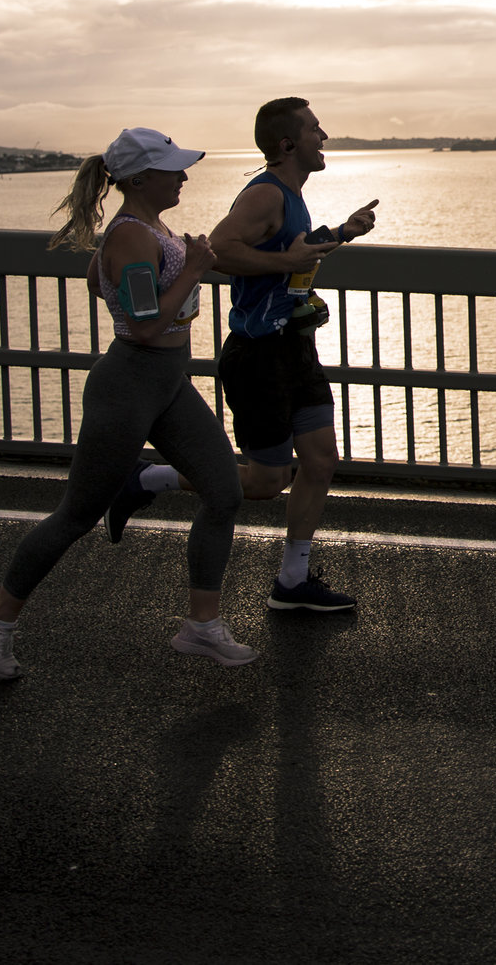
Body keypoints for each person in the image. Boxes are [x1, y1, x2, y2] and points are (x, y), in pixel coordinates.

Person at [0, 128, 253, 680]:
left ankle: (201, 625)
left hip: (168, 384)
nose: (185, 175)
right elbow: (143, 328)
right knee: (77, 515)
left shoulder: (145, 229)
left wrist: (173, 268)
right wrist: (193, 268)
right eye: (174, 168)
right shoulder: (131, 236)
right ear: (141, 178)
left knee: (224, 491)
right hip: (129, 383)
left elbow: (98, 281)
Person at [198, 97, 375, 613]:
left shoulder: (292, 196)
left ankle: (292, 582)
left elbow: (290, 257)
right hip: (258, 355)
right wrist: (285, 259)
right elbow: (219, 251)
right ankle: (147, 478)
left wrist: (342, 233)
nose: (325, 137)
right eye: (316, 130)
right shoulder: (264, 195)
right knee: (265, 482)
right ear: (287, 143)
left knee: (321, 461)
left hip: (294, 350)